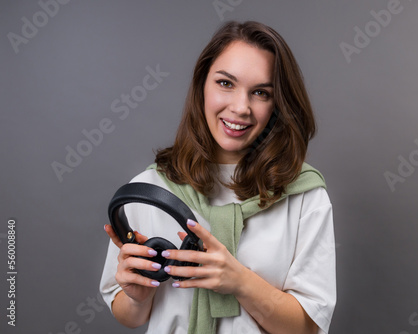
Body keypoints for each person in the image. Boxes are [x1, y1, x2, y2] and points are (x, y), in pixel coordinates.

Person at [100, 20, 336, 334]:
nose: (240, 107)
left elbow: (307, 328)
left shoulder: (305, 196)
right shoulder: (148, 191)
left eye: (261, 93)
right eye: (225, 83)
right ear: (202, 85)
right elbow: (128, 315)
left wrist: (240, 282)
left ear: (278, 104)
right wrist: (137, 297)